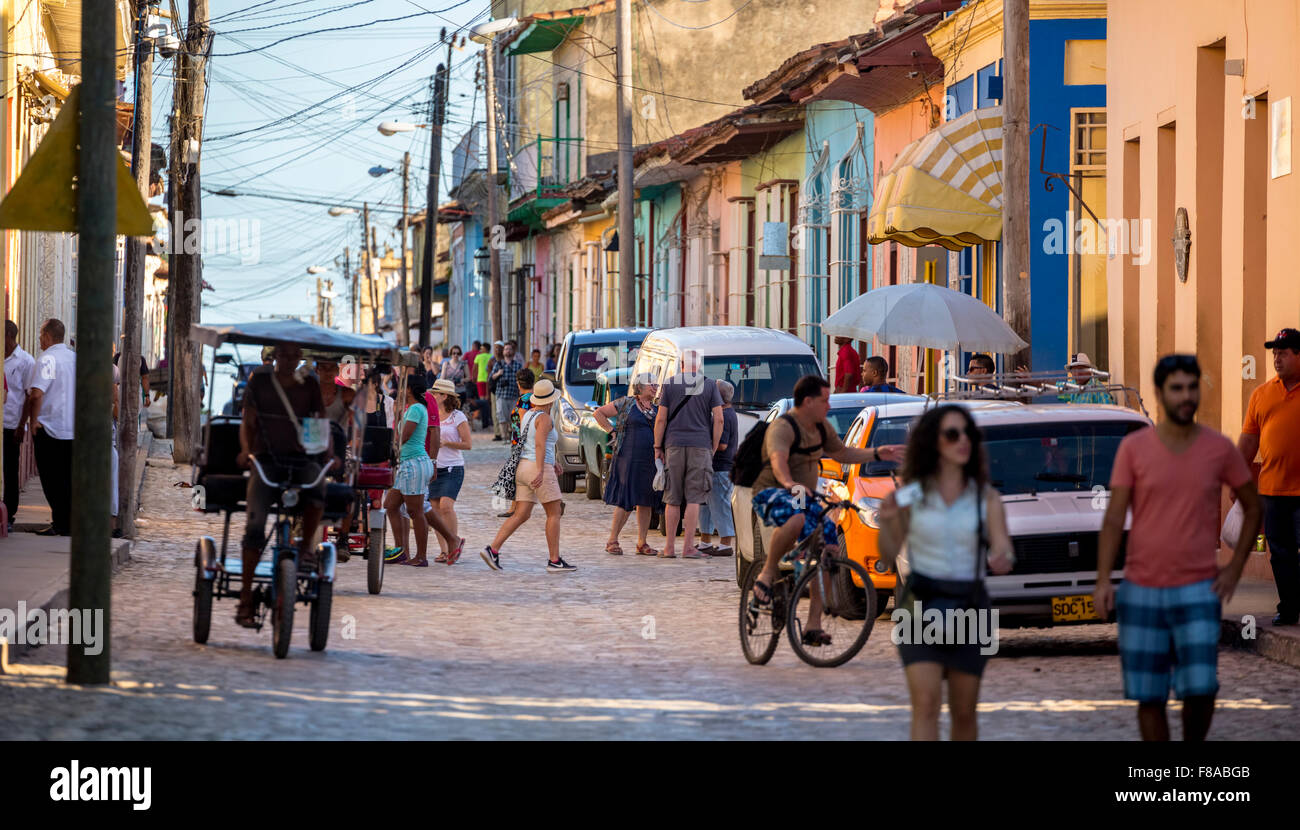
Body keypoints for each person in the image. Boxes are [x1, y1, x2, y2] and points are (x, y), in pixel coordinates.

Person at [1094, 354, 1261, 741]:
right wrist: (1103, 580)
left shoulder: (1218, 449)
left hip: (1199, 590)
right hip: (1141, 590)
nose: (1186, 396)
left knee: (1201, 689)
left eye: (1191, 387)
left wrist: (1235, 568)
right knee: (1149, 696)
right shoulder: (1134, 449)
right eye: (1177, 388)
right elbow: (1115, 518)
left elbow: (1253, 507)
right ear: (1160, 393)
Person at [875, 404, 1015, 740]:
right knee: (925, 704)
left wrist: (1002, 558)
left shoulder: (986, 498)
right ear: (934, 442)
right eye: (953, 434)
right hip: (919, 605)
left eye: (968, 433)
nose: (962, 441)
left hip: (971, 605)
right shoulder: (911, 496)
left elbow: (1003, 547)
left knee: (964, 712)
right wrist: (890, 522)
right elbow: (887, 553)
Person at [748, 376, 885, 630]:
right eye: (824, 401)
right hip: (773, 491)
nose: (828, 406)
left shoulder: (822, 427)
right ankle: (767, 572)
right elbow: (778, 460)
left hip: (805, 495)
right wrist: (789, 483)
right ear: (808, 401)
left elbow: (843, 453)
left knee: (828, 552)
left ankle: (813, 626)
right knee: (796, 517)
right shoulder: (784, 426)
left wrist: (877, 453)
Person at [233, 342, 335, 627]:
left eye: (294, 355)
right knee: (254, 528)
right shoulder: (261, 381)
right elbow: (248, 421)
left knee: (318, 489)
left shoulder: (310, 384)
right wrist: (246, 451)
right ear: (275, 355)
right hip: (265, 460)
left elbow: (319, 421)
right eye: (284, 354)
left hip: (301, 459)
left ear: (300, 357)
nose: (289, 359)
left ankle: (305, 549)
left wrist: (327, 452)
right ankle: (244, 597)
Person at [481, 378, 577, 573]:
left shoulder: (528, 415)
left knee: (521, 514)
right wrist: (542, 470)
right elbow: (540, 444)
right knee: (554, 513)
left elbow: (533, 443)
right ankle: (554, 560)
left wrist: (554, 463)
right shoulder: (545, 418)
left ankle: (493, 549)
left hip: (523, 467)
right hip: (536, 468)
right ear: (551, 400)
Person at [1238, 328, 1300, 625]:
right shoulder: (1261, 395)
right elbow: (1249, 441)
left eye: (1283, 353)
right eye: (1274, 353)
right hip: (1273, 491)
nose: (1277, 359)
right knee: (1281, 554)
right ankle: (1288, 607)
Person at [653, 350, 723, 559]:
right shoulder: (710, 385)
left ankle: (669, 548)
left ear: (681, 364)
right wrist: (713, 446)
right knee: (694, 497)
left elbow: (660, 419)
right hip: (700, 445)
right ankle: (689, 548)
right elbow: (719, 419)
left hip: (673, 445)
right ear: (699, 364)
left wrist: (658, 446)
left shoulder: (670, 384)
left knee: (672, 498)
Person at [595, 372, 661, 556]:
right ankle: (612, 540)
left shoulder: (656, 407)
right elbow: (598, 413)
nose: (654, 387)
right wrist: (611, 430)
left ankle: (642, 543)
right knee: (626, 499)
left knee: (646, 500)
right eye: (651, 384)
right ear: (639, 387)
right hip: (627, 458)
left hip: (649, 460)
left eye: (656, 384)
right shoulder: (626, 402)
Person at [23, 319, 76, 536]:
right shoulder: (74, 358)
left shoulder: (49, 360)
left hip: (51, 427)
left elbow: (36, 394)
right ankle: (68, 523)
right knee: (68, 478)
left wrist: (33, 421)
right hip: (72, 428)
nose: (39, 340)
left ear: (47, 336)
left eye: (40, 335)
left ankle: (61, 523)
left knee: (51, 479)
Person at [384, 375, 438, 568]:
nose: (399, 391)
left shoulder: (415, 409)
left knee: (415, 512)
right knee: (390, 505)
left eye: (402, 388)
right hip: (407, 464)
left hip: (413, 464)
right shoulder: (412, 409)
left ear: (410, 390)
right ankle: (401, 551)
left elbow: (403, 437)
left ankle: (421, 556)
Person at [428, 379, 471, 564]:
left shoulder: (457, 416)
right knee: (435, 512)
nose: (432, 396)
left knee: (446, 507)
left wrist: (446, 443)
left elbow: (468, 444)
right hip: (434, 467)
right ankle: (444, 550)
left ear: (445, 396)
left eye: (436, 393)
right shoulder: (431, 415)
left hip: (453, 467)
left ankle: (454, 544)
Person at [697, 379, 738, 557]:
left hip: (721, 466)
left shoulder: (725, 416)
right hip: (715, 466)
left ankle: (725, 543)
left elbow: (722, 445)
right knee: (705, 505)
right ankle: (705, 540)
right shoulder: (724, 413)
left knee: (720, 505)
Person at [4, 320, 35, 531]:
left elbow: (29, 396)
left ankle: (9, 511)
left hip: (11, 423)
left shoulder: (26, 361)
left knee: (10, 468)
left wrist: (21, 425)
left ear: (8, 335)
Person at [509, 368, 535, 446]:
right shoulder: (535, 398)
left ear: (518, 384)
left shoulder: (523, 400)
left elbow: (523, 423)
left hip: (521, 444)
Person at [473, 342, 493, 407]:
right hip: (489, 379)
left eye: (482, 348)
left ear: (485, 349)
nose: (480, 350)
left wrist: (474, 377)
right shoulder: (492, 356)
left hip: (480, 379)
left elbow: (474, 368)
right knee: (489, 398)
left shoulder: (478, 356)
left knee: (482, 398)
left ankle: (483, 413)